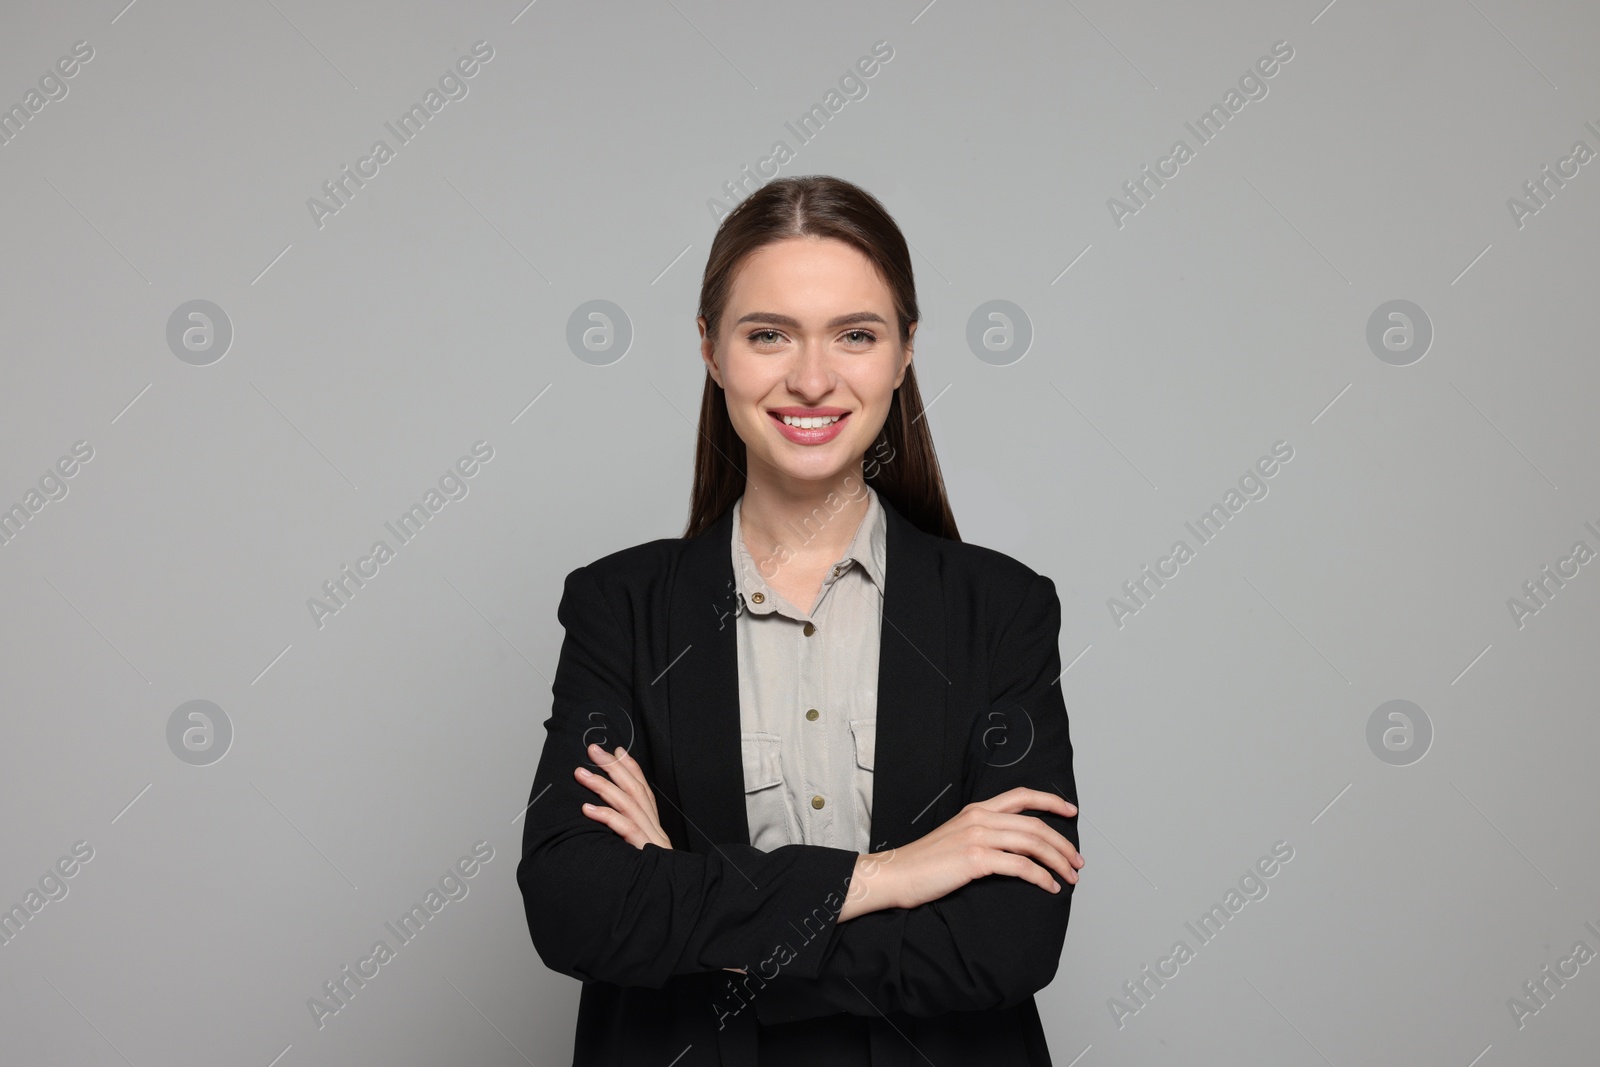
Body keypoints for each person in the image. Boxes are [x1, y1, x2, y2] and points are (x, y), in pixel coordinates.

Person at [517, 174, 1083, 1066]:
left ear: (904, 352)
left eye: (855, 335)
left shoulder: (1002, 612)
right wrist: (889, 875)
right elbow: (574, 906)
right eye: (768, 334)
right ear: (710, 349)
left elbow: (1006, 943)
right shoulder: (617, 608)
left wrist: (688, 906)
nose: (812, 378)